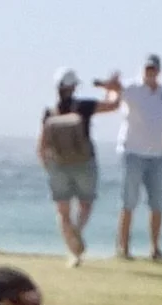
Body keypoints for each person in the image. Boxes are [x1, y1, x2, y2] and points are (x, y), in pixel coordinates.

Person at [38, 70, 119, 266]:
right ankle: (77, 230)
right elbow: (113, 105)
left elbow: (42, 146)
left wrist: (47, 167)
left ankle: (73, 252)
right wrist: (113, 89)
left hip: (58, 165)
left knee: (62, 212)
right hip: (84, 162)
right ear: (74, 87)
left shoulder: (50, 112)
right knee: (85, 204)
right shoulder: (83, 106)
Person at [103, 56, 162, 262]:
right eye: (147, 68)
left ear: (159, 71)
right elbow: (113, 93)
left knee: (157, 204)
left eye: (153, 68)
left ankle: (155, 249)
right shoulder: (132, 88)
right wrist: (109, 85)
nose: (150, 72)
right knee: (129, 202)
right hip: (133, 153)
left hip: (157, 156)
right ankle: (123, 248)